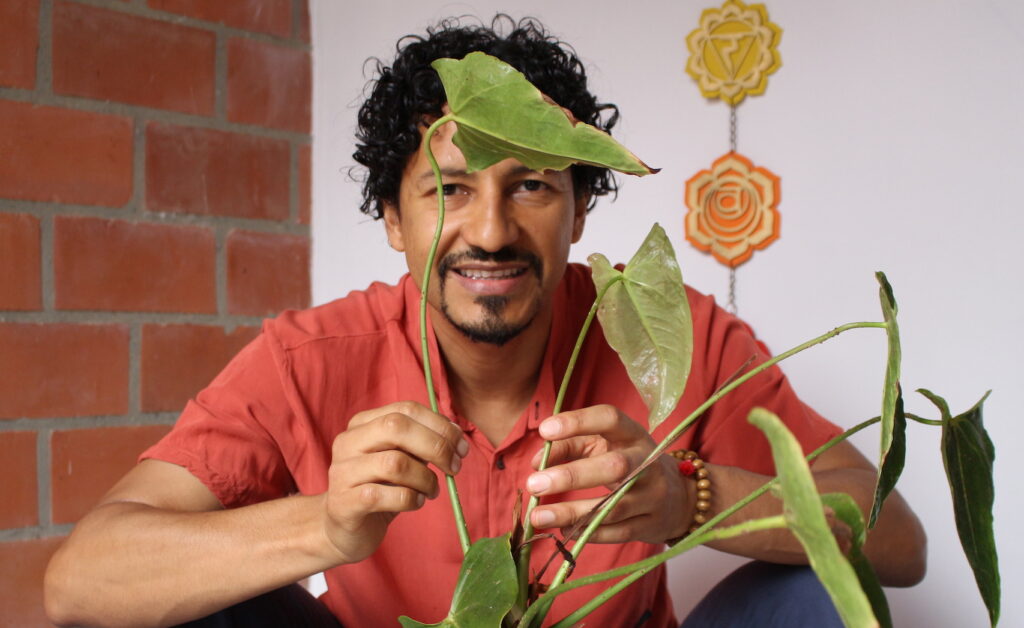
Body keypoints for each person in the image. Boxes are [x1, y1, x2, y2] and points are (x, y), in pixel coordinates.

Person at [44, 15, 926, 628]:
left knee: (818, 595)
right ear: (394, 220)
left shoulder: (673, 340)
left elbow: (897, 539)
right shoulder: (308, 359)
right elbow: (81, 581)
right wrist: (327, 527)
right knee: (194, 605)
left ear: (580, 210)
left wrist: (687, 497)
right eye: (450, 190)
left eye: (531, 185)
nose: (492, 231)